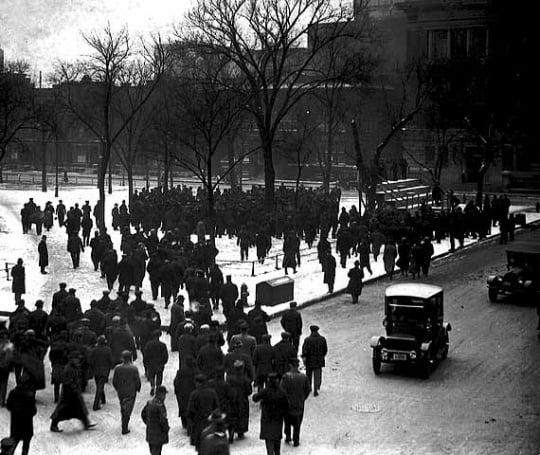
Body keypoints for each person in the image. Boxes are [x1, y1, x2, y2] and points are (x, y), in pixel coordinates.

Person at [50, 352, 96, 432]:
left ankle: (86, 423)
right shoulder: (68, 368)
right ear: (72, 359)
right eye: (76, 359)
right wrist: (73, 386)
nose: (78, 360)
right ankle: (53, 425)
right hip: (69, 394)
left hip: (75, 392)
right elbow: (66, 380)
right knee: (62, 410)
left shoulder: (75, 367)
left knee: (80, 409)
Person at [252, 372, 289, 455]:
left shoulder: (265, 391)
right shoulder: (281, 392)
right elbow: (287, 405)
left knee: (269, 442)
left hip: (267, 420)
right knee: (277, 442)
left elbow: (255, 398)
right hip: (278, 420)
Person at [280, 359, 311, 447]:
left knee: (287, 420)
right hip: (299, 403)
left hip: (288, 403)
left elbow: (282, 389)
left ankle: (288, 435)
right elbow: (308, 390)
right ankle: (296, 439)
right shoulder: (303, 377)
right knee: (298, 421)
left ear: (290, 365)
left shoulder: (286, 377)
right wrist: (302, 398)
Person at [112, 350, 142, 435]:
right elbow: (137, 381)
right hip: (131, 391)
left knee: (123, 406)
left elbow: (114, 381)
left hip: (121, 391)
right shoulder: (133, 368)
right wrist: (138, 388)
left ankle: (123, 422)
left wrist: (118, 388)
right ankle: (124, 427)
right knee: (128, 409)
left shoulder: (117, 368)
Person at [6, 378, 37, 455]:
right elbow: (33, 411)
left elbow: (9, 406)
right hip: (27, 425)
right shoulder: (30, 395)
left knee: (13, 442)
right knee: (26, 445)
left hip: (15, 424)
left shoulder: (12, 393)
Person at [141, 385, 170, 455]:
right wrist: (166, 428)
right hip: (158, 435)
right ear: (161, 394)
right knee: (157, 452)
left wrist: (149, 423)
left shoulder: (149, 403)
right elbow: (163, 420)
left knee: (153, 452)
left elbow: (143, 414)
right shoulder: (160, 406)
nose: (165, 397)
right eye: (164, 395)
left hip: (150, 433)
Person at [301, 325, 328, 396]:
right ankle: (316, 388)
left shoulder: (307, 340)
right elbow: (325, 350)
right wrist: (321, 356)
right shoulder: (322, 339)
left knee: (309, 375)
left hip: (309, 360)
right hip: (319, 360)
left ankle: (309, 388)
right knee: (317, 375)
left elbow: (304, 350)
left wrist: (304, 357)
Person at [88, 334, 113, 411]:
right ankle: (96, 404)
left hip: (96, 371)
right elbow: (110, 360)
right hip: (105, 371)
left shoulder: (94, 350)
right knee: (100, 386)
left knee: (99, 385)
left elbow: (90, 361)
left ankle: (103, 399)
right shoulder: (108, 350)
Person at [143, 330, 169, 396]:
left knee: (151, 376)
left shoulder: (148, 344)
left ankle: (152, 386)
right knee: (159, 376)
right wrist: (164, 362)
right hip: (159, 363)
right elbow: (165, 355)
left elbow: (145, 354)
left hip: (151, 364)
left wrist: (146, 362)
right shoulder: (162, 345)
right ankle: (158, 387)